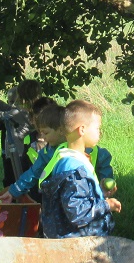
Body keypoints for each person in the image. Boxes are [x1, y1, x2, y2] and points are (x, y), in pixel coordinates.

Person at [37, 99, 121, 238]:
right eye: (97, 128)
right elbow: (77, 213)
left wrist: (99, 192)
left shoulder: (67, 158)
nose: (99, 132)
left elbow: (75, 197)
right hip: (78, 243)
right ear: (82, 129)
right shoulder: (74, 170)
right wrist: (106, 205)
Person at [0, 102, 66, 203]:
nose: (43, 136)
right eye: (40, 132)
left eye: (46, 132)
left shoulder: (78, 149)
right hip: (53, 203)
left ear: (60, 130)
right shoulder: (46, 152)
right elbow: (32, 173)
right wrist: (12, 192)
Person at [0, 79, 41, 187]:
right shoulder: (33, 110)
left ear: (20, 96)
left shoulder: (21, 112)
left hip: (18, 155)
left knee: (14, 184)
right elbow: (10, 109)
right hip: (30, 154)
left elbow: (2, 115)